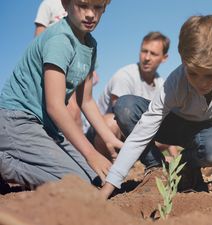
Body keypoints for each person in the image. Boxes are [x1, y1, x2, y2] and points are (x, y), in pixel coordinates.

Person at [99, 15, 212, 199]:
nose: (201, 83)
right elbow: (142, 132)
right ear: (183, 60)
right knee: (126, 107)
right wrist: (110, 185)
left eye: (210, 76)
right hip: (171, 125)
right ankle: (156, 167)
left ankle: (186, 165)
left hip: (206, 130)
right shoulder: (175, 81)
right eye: (193, 73)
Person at [0, 0, 123, 190]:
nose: (91, 14)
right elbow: (55, 106)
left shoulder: (90, 45)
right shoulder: (60, 39)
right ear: (66, 4)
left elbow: (86, 100)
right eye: (83, 5)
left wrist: (108, 138)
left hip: (45, 126)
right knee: (78, 186)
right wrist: (91, 153)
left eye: (98, 7)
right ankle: (5, 165)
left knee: (96, 179)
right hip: (16, 120)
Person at [90, 31, 177, 161]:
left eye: (153, 54)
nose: (146, 57)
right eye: (144, 51)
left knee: (168, 131)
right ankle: (106, 164)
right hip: (104, 135)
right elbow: (121, 119)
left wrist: (175, 157)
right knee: (111, 123)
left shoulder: (161, 84)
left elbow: (164, 123)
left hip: (135, 137)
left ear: (164, 58)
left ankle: (140, 161)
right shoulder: (125, 76)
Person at [34, 0, 100, 131]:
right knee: (65, 108)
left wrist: (88, 70)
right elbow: (39, 33)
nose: (90, 13)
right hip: (55, 62)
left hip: (74, 65)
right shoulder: (49, 4)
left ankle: (75, 147)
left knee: (75, 110)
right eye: (83, 6)